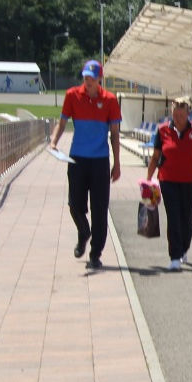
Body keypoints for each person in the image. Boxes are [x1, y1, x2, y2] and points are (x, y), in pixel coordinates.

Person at [49, 59, 122, 269]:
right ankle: (83, 232)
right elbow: (62, 123)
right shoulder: (72, 95)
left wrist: (117, 164)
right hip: (77, 159)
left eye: (92, 78)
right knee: (75, 204)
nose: (88, 82)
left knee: (100, 209)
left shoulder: (110, 100)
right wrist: (54, 141)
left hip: (100, 161)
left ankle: (95, 254)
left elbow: (115, 135)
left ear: (100, 78)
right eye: (85, 78)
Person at [146, 96, 192, 271]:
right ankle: (174, 256)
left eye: (181, 115)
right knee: (173, 218)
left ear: (188, 114)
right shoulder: (162, 131)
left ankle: (184, 248)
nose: (178, 119)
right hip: (167, 180)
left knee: (186, 219)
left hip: (190, 181)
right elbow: (155, 156)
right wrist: (148, 179)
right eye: (175, 115)